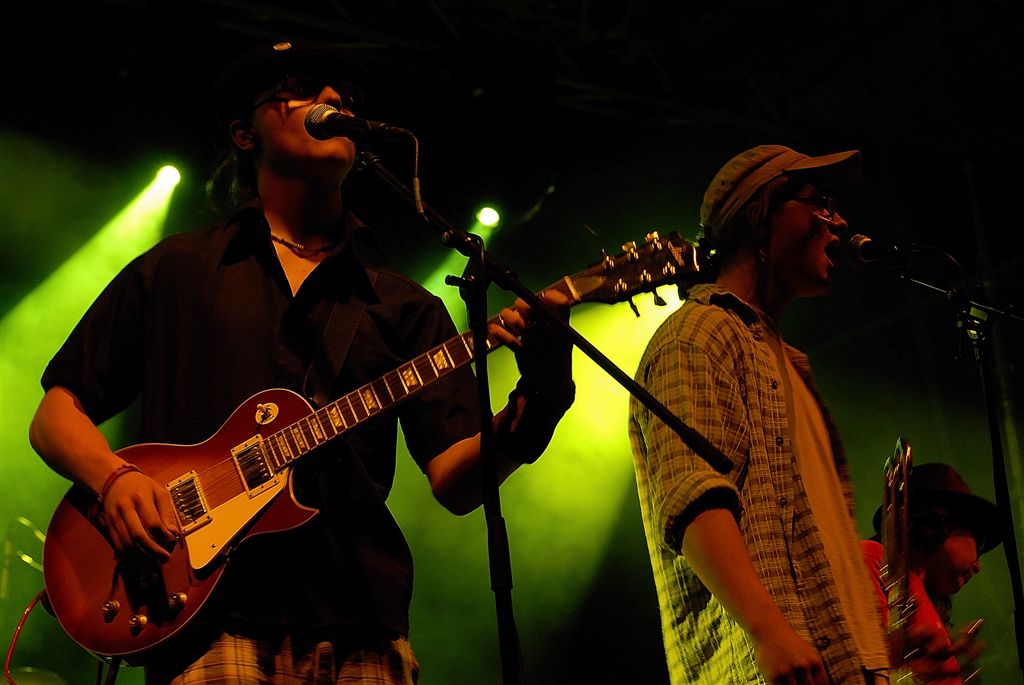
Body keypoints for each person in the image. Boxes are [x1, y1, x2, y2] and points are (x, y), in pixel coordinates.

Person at [28, 39, 575, 684]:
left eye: (343, 94)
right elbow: (55, 413)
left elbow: (457, 483)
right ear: (244, 133)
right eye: (301, 88)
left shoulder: (403, 304)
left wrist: (539, 401)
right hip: (209, 620)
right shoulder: (178, 270)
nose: (334, 98)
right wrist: (114, 480)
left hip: (361, 624)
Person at [628, 144, 893, 684]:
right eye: (820, 202)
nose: (840, 222)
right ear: (758, 215)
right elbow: (692, 497)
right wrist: (768, 630)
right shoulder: (698, 334)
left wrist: (888, 651)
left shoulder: (790, 363)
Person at [862, 461, 1001, 684]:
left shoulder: (919, 592)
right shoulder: (874, 556)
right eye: (978, 541)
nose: (978, 566)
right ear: (942, 522)